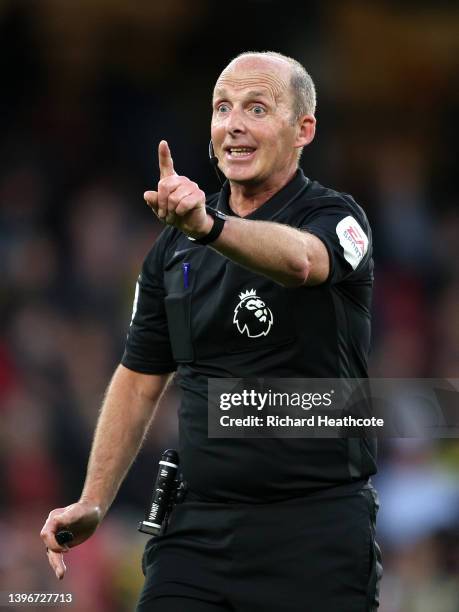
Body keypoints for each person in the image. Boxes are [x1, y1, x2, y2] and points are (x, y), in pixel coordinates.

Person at [41, 51, 382, 611]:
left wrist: (209, 226)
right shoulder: (171, 251)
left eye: (256, 108)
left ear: (304, 130)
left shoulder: (338, 218)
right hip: (196, 535)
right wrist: (94, 499)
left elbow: (302, 262)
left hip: (317, 533)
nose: (234, 124)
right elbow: (140, 377)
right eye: (223, 108)